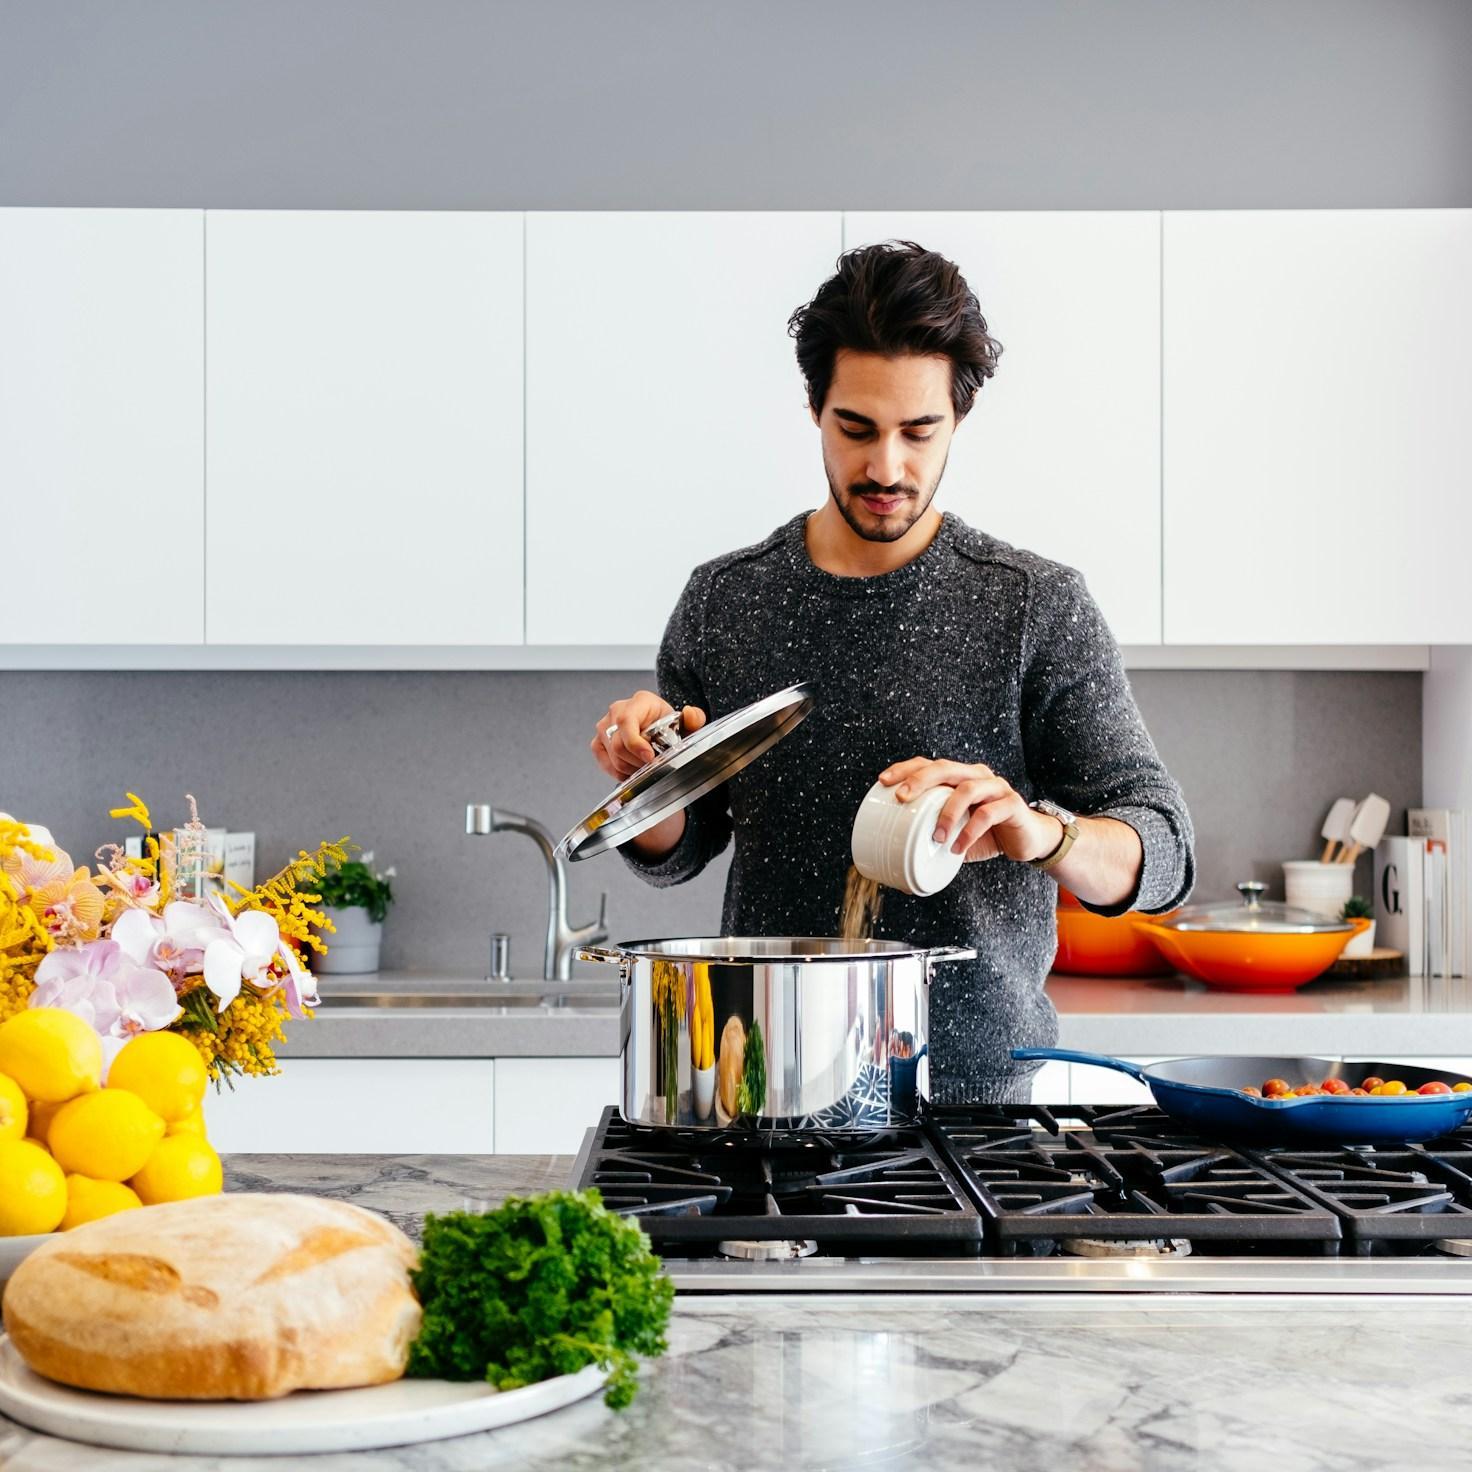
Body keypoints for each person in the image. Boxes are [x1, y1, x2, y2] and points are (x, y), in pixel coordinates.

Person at [591, 240, 1194, 1104]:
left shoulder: (1033, 604)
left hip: (976, 1102)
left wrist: (1040, 831)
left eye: (919, 432)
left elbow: (1163, 849)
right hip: (766, 1088)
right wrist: (644, 790)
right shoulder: (725, 600)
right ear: (813, 408)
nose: (886, 469)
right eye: (857, 429)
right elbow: (683, 847)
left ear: (960, 417)